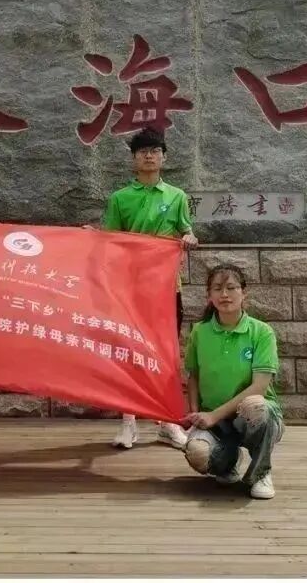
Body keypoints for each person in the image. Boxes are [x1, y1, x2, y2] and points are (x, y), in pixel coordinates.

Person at [99, 127, 198, 450]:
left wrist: (189, 238)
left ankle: (168, 422)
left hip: (167, 289)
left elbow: (186, 230)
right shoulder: (120, 198)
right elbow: (111, 243)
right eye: (143, 151)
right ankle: (128, 422)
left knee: (166, 354)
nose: (149, 156)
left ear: (164, 157)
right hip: (130, 290)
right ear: (134, 159)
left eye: (155, 151)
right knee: (128, 352)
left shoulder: (177, 196)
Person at [182, 263, 283, 500]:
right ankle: (227, 464)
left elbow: (259, 387)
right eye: (217, 288)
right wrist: (196, 414)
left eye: (231, 288)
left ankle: (261, 473)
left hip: (249, 416)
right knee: (197, 453)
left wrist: (213, 415)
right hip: (215, 422)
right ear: (209, 295)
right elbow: (193, 375)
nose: (224, 294)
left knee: (256, 406)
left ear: (244, 293)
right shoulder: (199, 332)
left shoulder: (261, 332)